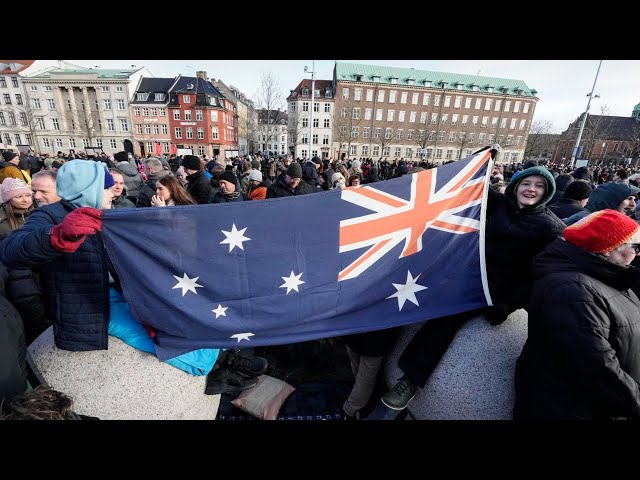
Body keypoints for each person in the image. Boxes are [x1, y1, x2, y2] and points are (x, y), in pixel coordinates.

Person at [380, 162, 566, 413]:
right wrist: (483, 159)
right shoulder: (499, 204)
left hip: (499, 292)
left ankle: (410, 381)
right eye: (526, 183)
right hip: (468, 276)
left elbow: (538, 276)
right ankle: (375, 348)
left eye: (539, 186)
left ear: (547, 192)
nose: (531, 189)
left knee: (444, 321)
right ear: (516, 186)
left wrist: (508, 304)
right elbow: (471, 184)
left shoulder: (551, 227)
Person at [514, 209, 640, 419]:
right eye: (636, 247)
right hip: (573, 409)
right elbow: (598, 367)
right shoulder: (573, 290)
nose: (638, 254)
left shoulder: (611, 276)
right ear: (607, 248)